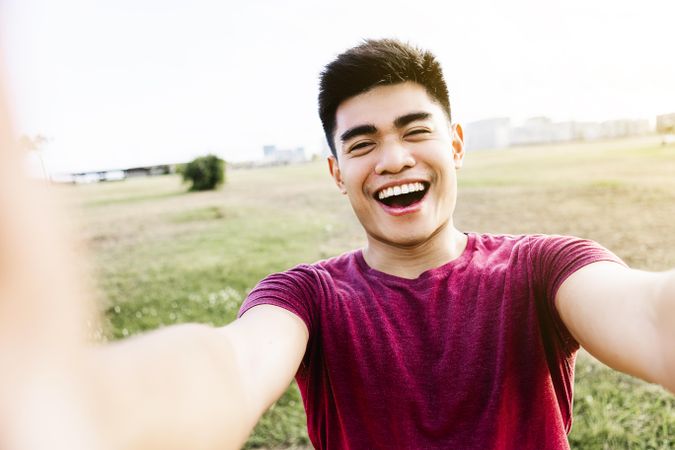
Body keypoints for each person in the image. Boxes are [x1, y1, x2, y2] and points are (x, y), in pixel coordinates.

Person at [0, 39, 672, 450]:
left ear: (456, 146)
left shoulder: (541, 268)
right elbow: (231, 368)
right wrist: (86, 412)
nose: (392, 159)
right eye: (361, 143)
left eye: (415, 131)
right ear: (335, 172)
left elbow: (647, 315)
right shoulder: (307, 297)